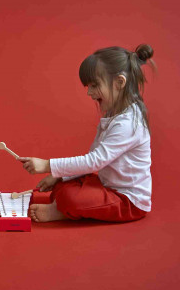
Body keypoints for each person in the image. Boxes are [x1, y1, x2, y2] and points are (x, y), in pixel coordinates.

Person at [19, 44, 157, 223]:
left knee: (70, 198)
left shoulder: (129, 123)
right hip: (106, 185)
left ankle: (62, 210)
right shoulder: (114, 114)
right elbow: (92, 159)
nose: (89, 93)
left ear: (119, 83)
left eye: (94, 85)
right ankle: (67, 205)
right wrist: (60, 175)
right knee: (61, 184)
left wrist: (47, 165)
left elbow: (94, 162)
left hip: (127, 201)